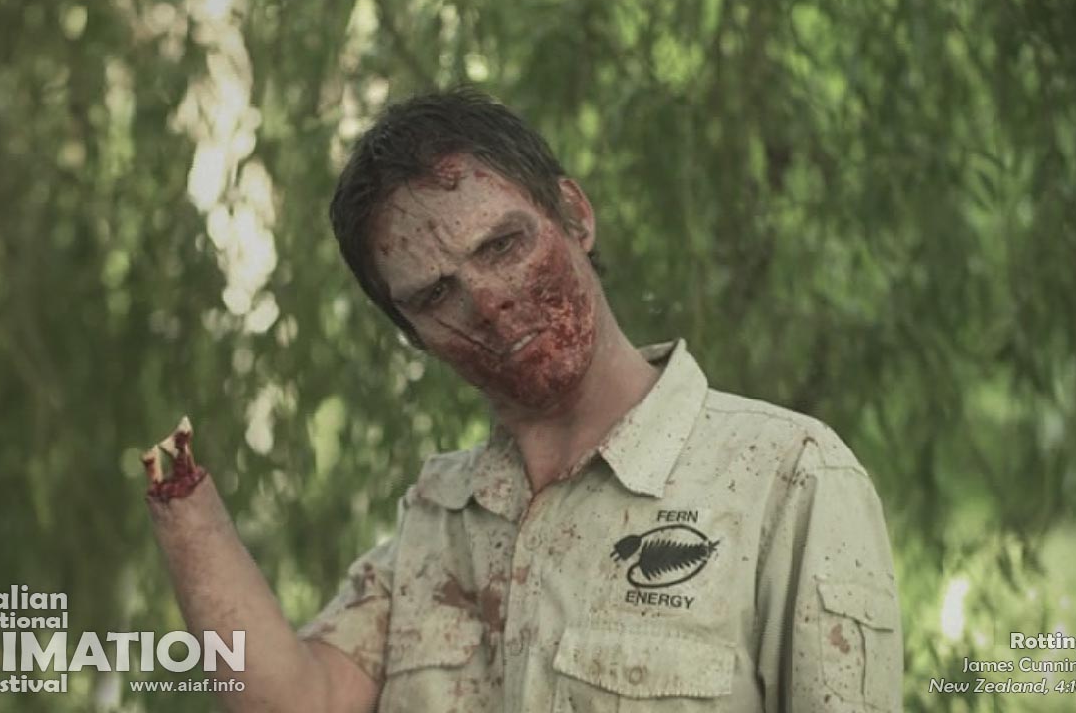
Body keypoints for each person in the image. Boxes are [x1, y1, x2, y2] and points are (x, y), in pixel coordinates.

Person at [142, 88, 904, 712]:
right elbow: (297, 702)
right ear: (413, 335)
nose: (488, 302)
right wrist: (188, 515)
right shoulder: (436, 523)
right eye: (436, 294)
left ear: (574, 214)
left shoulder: (785, 478)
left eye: (502, 245)